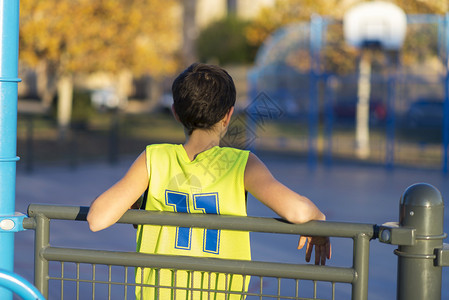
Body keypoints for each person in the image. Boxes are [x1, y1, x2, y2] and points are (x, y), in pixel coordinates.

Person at [87, 63, 331, 299]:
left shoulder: (154, 158)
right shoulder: (241, 163)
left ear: (176, 113)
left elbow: (97, 219)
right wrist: (319, 220)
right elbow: (298, 211)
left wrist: (136, 203)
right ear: (228, 115)